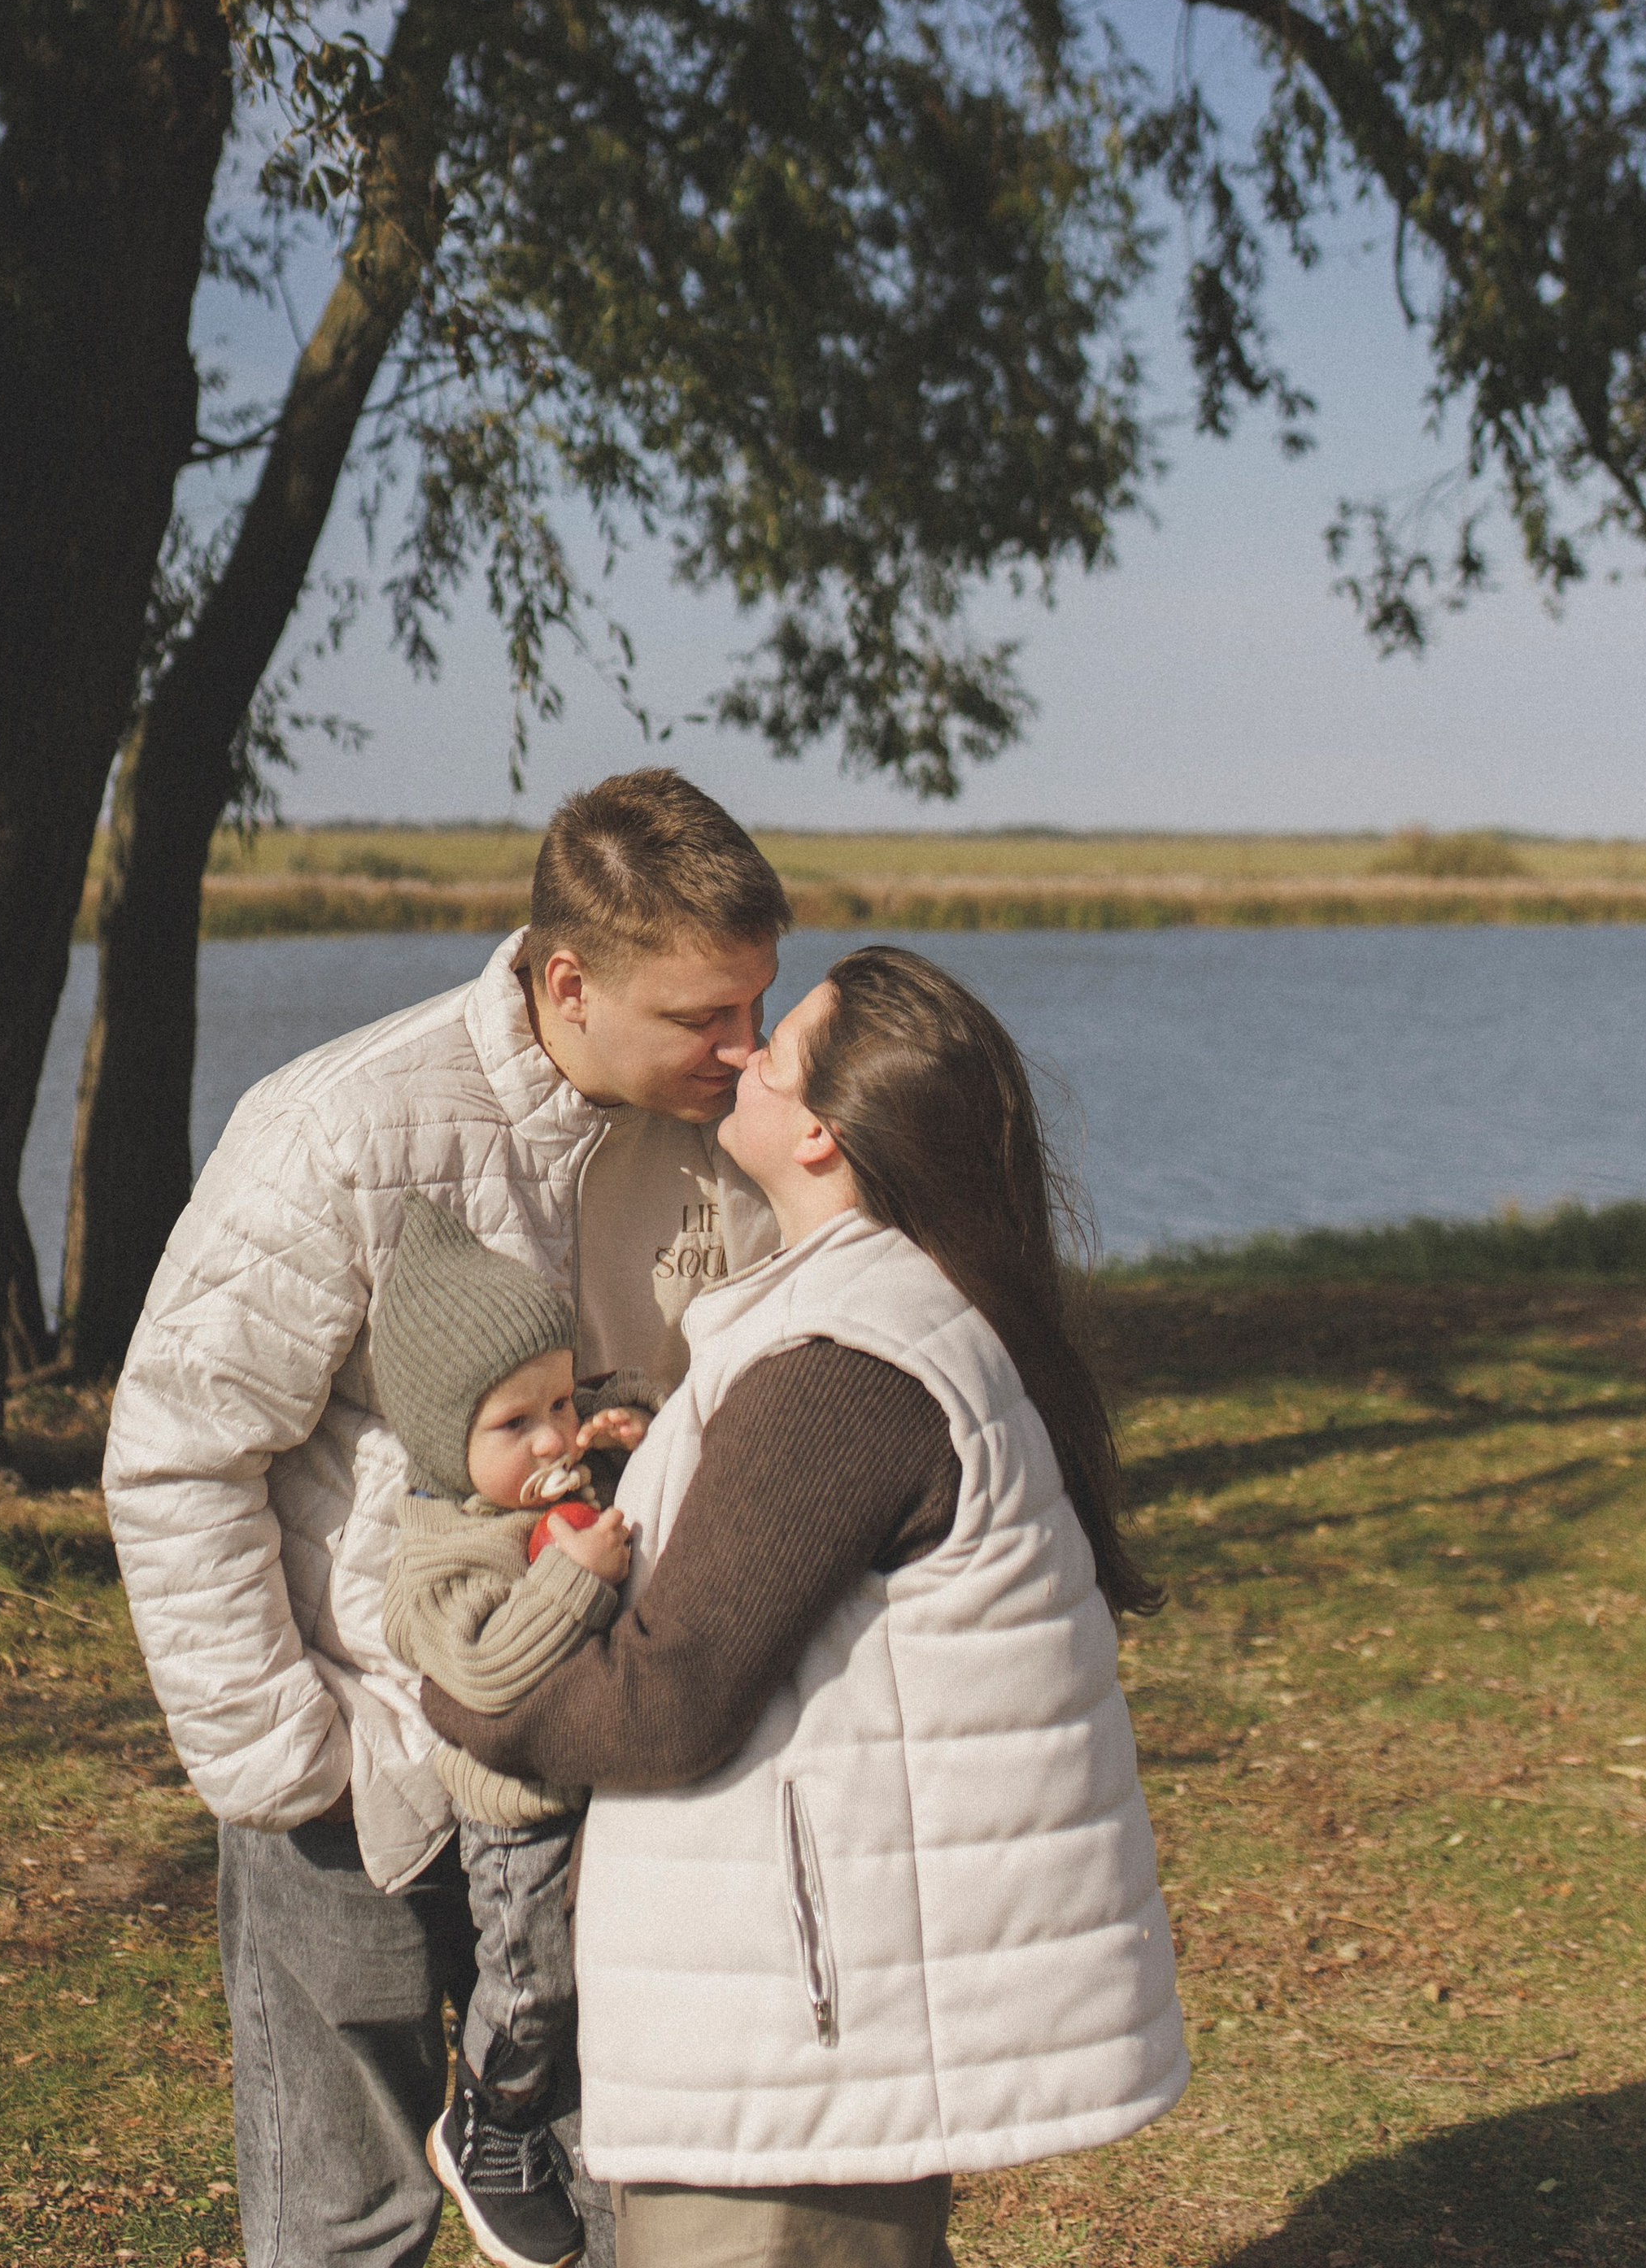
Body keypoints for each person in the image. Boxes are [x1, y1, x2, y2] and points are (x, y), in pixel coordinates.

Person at [102, 770, 787, 2268]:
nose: (748, 1050)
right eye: (704, 1018)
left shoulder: (733, 1136)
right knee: (351, 2219)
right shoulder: (341, 1130)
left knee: (625, 2202)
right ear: (568, 982)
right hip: (370, 1774)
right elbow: (176, 1456)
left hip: (617, 1765)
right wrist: (292, 1764)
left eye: (759, 1004)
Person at [425, 946, 1187, 2268]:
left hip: (795, 2036)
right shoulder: (902, 1313)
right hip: (824, 2014)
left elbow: (670, 1705)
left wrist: (470, 1686)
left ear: (825, 1133)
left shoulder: (846, 1365)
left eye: (774, 1051)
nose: (739, 1053)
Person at [372, 1190, 651, 2268]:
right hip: (517, 1817)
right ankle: (488, 2126)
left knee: (593, 1985)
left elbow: (591, 1443)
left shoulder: (546, 1487)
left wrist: (625, 1432)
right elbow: (486, 1671)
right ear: (447, 1444)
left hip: (595, 1797)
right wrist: (572, 1583)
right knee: (533, 1983)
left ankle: (544, 2122)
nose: (554, 1438)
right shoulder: (438, 1558)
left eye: (560, 1402)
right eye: (516, 1423)